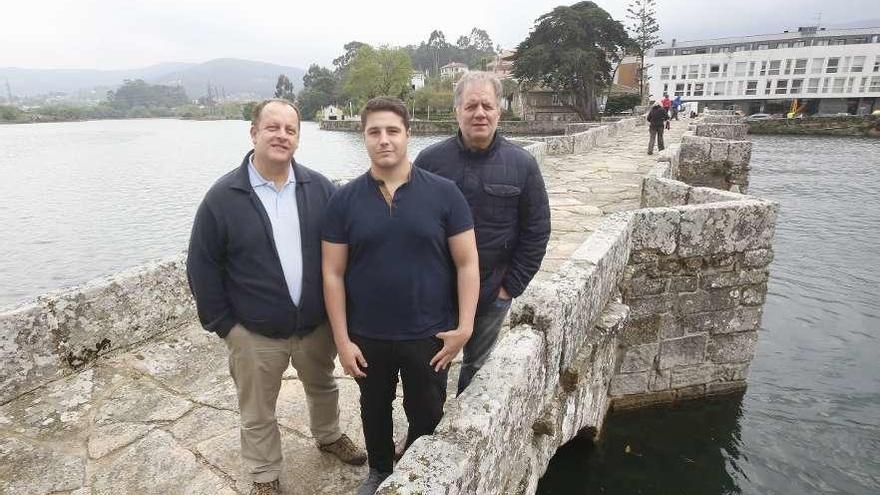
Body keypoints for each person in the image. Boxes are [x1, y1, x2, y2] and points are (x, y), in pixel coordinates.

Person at [186, 99, 366, 495]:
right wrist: (227, 328)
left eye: (290, 129)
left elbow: (342, 253)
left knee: (323, 386)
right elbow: (202, 266)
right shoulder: (223, 197)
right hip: (253, 333)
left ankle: (329, 435)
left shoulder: (319, 188)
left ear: (299, 138)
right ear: (254, 133)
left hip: (313, 326)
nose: (281, 135)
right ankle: (264, 474)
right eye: (272, 127)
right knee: (256, 410)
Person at [322, 97, 480, 495]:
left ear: (408, 134)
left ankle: (416, 467)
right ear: (364, 138)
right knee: (373, 408)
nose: (384, 139)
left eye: (392, 130)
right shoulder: (343, 201)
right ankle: (377, 470)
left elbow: (467, 264)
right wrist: (342, 340)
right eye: (374, 132)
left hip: (429, 333)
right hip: (367, 334)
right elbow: (333, 273)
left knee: (426, 409)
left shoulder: (445, 194)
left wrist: (465, 327)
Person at [414, 71, 551, 395]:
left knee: (477, 368)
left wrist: (510, 287)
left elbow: (537, 230)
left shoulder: (522, 164)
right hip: (437, 294)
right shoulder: (430, 161)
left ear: (499, 111)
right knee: (431, 366)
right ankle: (425, 431)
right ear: (457, 111)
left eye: (487, 106)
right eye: (471, 105)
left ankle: (464, 439)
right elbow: (409, 223)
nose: (479, 113)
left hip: (492, 292)